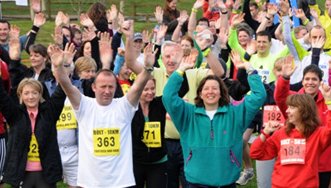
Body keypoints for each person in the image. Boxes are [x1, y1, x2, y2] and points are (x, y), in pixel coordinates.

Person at [53, 28, 157, 187]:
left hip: (121, 182)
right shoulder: (84, 104)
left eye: (110, 87)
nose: (107, 91)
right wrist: (62, 65)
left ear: (116, 88)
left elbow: (139, 85)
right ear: (94, 87)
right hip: (89, 182)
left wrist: (148, 68)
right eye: (103, 87)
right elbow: (65, 84)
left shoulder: (124, 106)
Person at [162, 59, 266, 187]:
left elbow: (259, 96)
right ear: (200, 93)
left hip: (226, 182)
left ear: (221, 93)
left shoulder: (235, 114)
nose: (210, 92)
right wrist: (180, 70)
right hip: (196, 182)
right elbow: (168, 96)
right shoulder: (187, 114)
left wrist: (250, 69)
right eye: (206, 89)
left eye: (214, 88)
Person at [250, 93, 331, 187]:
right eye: (288, 107)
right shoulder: (281, 133)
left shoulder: (318, 134)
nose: (287, 111)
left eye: (292, 107)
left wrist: (329, 101)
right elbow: (256, 153)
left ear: (304, 110)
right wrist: (265, 132)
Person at [0, 76, 65, 187]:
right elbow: (2, 96)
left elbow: (60, 92)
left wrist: (64, 67)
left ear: (40, 95)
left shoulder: (49, 113)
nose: (31, 97)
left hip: (47, 173)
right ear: (20, 95)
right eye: (26, 93)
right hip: (21, 174)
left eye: (34, 93)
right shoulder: (15, 115)